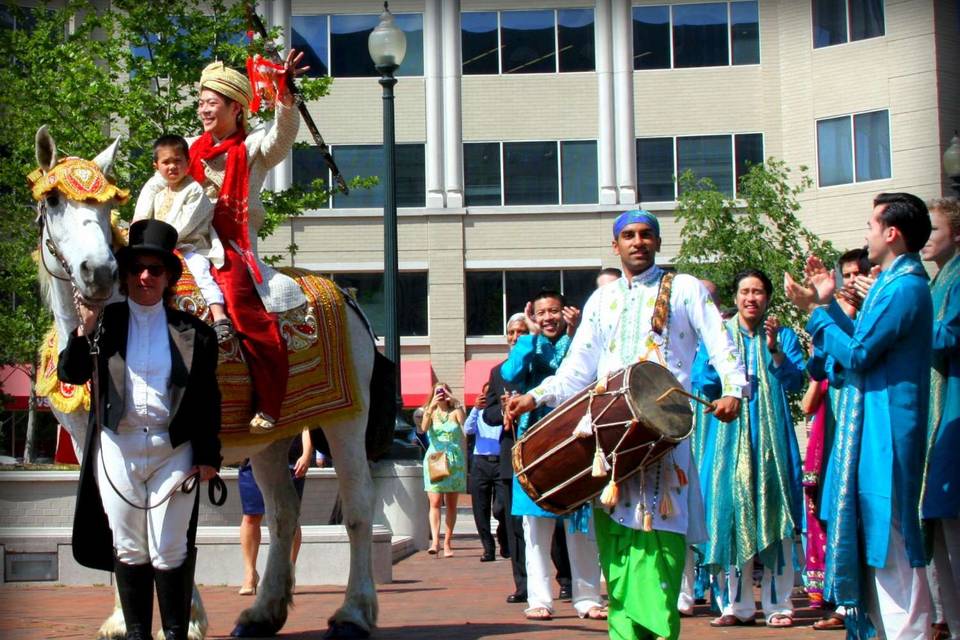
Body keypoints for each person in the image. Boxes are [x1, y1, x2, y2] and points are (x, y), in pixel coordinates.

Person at [507, 210, 745, 640]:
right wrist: (536, 396)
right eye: (629, 236)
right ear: (615, 246)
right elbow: (576, 373)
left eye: (646, 235)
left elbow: (720, 342)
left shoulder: (685, 289)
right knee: (615, 549)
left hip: (664, 442)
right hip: (609, 445)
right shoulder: (603, 300)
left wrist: (733, 389)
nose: (638, 242)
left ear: (657, 242)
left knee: (663, 544)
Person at [59, 219, 221, 640]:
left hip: (174, 450)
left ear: (168, 277)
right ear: (125, 274)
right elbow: (72, 374)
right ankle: (135, 634)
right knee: (129, 546)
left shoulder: (196, 333)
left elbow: (207, 398)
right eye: (136, 269)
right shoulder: (105, 322)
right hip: (118, 447)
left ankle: (175, 633)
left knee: (170, 548)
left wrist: (208, 456)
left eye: (154, 269)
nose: (144, 276)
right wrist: (85, 328)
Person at [785, 192, 935, 639]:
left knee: (890, 538)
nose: (866, 233)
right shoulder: (895, 282)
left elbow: (862, 353)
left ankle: (909, 632)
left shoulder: (906, 286)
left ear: (891, 233)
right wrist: (827, 305)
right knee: (876, 537)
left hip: (887, 426)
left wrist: (814, 313)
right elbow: (861, 344)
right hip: (874, 424)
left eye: (872, 224)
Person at [138, 52, 309, 433]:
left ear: (236, 108)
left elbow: (282, 138)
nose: (203, 109)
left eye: (211, 102)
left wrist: (284, 93)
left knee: (238, 300)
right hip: (178, 237)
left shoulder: (251, 148)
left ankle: (268, 398)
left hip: (228, 246)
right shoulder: (189, 149)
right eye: (200, 102)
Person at [698, 269, 806, 628]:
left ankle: (779, 605)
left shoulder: (783, 335)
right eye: (745, 291)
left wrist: (775, 351)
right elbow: (703, 383)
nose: (750, 298)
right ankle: (735, 605)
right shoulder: (719, 336)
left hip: (772, 443)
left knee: (777, 517)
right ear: (736, 297)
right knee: (730, 514)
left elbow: (795, 380)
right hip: (729, 441)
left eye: (758, 291)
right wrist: (721, 366)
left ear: (768, 298)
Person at [500, 289, 605, 622]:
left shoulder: (581, 343)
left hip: (577, 446)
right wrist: (529, 337)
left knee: (580, 528)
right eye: (541, 312)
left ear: (566, 313)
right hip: (535, 450)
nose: (548, 318)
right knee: (535, 530)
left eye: (554, 311)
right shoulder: (529, 345)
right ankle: (540, 598)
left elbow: (586, 376)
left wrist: (576, 334)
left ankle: (587, 597)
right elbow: (510, 374)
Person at [803, 248, 870, 631]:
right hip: (834, 425)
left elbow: (856, 355)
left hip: (862, 419)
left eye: (858, 271)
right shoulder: (837, 315)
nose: (852, 280)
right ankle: (844, 602)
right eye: (847, 274)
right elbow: (818, 368)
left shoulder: (874, 311)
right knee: (834, 508)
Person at [134, 134, 231, 342]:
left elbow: (184, 225)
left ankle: (219, 315)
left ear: (188, 163)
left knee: (201, 273)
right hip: (162, 248)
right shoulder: (159, 194)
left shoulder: (194, 190)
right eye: (166, 162)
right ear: (156, 166)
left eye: (177, 161)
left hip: (191, 246)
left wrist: (158, 242)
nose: (172, 167)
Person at [920, 197, 960, 640]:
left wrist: (914, 320)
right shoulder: (935, 282)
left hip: (952, 406)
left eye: (935, 229)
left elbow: (948, 335)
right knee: (940, 526)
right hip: (936, 412)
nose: (927, 238)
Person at [483, 312, 532, 603]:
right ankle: (522, 585)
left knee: (550, 522)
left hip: (540, 451)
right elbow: (488, 414)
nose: (515, 337)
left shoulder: (539, 366)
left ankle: (565, 579)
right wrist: (502, 411)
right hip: (509, 454)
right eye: (511, 333)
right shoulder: (497, 372)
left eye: (521, 332)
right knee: (510, 519)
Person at [238, 428, 314, 595]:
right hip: (253, 458)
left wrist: (307, 453)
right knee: (251, 516)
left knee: (289, 518)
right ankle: (250, 573)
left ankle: (287, 572)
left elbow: (306, 423)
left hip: (290, 460)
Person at [420, 383, 467, 557]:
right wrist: (431, 407)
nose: (441, 394)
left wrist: (456, 401)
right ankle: (435, 541)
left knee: (451, 503)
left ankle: (447, 542)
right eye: (438, 391)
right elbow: (423, 428)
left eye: (443, 391)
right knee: (435, 501)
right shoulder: (430, 413)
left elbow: (464, 422)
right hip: (435, 459)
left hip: (454, 460)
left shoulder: (455, 412)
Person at [463, 382, 508, 562]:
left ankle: (504, 537)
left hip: (500, 461)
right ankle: (488, 548)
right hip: (480, 462)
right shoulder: (479, 413)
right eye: (486, 395)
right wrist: (475, 408)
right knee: (480, 509)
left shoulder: (502, 412)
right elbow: (467, 429)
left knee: (502, 507)